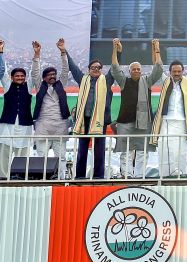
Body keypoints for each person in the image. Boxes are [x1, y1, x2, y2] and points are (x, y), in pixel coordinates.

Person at [110, 38, 164, 178]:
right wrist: (115, 49)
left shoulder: (147, 81)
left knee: (142, 151)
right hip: (125, 122)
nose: (136, 71)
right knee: (125, 151)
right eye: (133, 69)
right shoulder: (123, 81)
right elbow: (115, 68)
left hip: (144, 121)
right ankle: (127, 175)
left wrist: (156, 48)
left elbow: (158, 67)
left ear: (141, 71)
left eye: (138, 69)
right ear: (129, 71)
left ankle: (140, 176)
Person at [150, 42, 187, 177]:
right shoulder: (165, 80)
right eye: (174, 71)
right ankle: (165, 175)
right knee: (165, 148)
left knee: (180, 149)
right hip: (167, 121)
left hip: (182, 121)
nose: (176, 74)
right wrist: (156, 50)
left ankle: (180, 174)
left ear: (182, 72)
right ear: (170, 72)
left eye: (179, 71)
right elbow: (157, 67)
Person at [64, 39, 115, 179]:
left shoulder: (107, 80)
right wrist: (65, 52)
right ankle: (79, 177)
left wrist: (117, 51)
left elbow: (115, 68)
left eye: (98, 67)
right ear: (89, 69)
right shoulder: (83, 79)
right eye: (93, 67)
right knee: (82, 149)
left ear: (101, 69)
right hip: (84, 120)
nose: (96, 69)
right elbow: (73, 68)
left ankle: (98, 177)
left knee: (99, 150)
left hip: (100, 120)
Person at [31, 39, 70, 179]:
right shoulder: (39, 85)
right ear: (44, 78)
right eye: (49, 75)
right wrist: (37, 54)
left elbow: (65, 69)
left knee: (62, 156)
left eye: (54, 74)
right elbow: (35, 73)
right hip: (43, 125)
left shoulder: (61, 84)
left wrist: (63, 51)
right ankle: (41, 179)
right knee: (42, 156)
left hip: (60, 124)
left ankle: (61, 179)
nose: (52, 76)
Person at [0, 41, 34, 179]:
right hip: (7, 125)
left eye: (22, 76)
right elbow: (2, 71)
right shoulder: (7, 86)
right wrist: (0, 52)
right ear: (12, 78)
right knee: (4, 153)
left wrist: (36, 55)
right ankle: (2, 177)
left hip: (25, 125)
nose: (20, 77)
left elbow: (34, 72)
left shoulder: (29, 86)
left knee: (22, 154)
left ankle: (20, 177)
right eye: (17, 76)